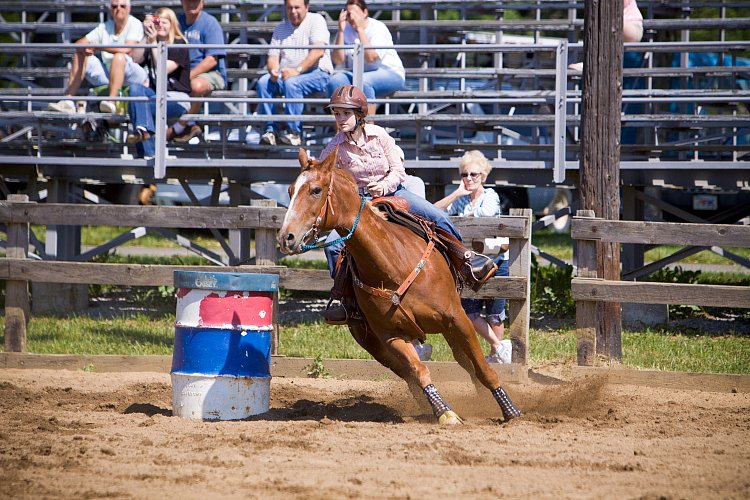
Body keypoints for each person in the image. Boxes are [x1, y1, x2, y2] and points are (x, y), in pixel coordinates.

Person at [319, 85, 497, 324]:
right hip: (361, 203)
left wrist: (383, 186)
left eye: (345, 114)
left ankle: (466, 262)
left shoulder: (379, 135)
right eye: (337, 114)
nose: (340, 119)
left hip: (394, 192)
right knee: (332, 245)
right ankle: (348, 301)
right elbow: (320, 171)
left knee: (437, 215)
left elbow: (398, 170)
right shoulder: (335, 147)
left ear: (360, 115)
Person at [435, 150, 512, 364]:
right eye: (464, 175)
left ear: (483, 177)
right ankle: (498, 346)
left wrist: (461, 219)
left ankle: (497, 356)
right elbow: (435, 211)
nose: (468, 179)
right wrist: (456, 194)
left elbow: (484, 218)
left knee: (496, 314)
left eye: (474, 175)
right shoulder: (460, 199)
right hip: (471, 262)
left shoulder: (491, 196)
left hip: (495, 260)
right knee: (469, 312)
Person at [47, 0, 148, 114]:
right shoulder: (104, 26)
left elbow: (127, 50)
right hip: (109, 74)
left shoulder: (135, 24)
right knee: (80, 53)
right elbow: (80, 44)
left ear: (129, 9)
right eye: (114, 6)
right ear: (110, 9)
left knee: (119, 57)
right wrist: (86, 48)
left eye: (122, 6)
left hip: (133, 75)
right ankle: (68, 100)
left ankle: (111, 102)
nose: (118, 9)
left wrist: (98, 47)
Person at [257, 0, 333, 147]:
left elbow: (318, 52)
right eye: (289, 8)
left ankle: (295, 133)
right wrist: (273, 70)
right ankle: (270, 130)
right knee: (263, 82)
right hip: (288, 74)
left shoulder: (316, 20)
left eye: (297, 7)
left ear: (306, 7)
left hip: (317, 73)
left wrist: (296, 71)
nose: (293, 11)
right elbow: (272, 57)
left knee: (292, 83)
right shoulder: (280, 28)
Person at [126, 8, 191, 159]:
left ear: (172, 24)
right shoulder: (152, 42)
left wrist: (154, 44)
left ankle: (147, 151)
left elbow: (163, 69)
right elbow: (135, 58)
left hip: (177, 98)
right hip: (156, 95)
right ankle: (145, 132)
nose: (160, 25)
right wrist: (146, 35)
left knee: (138, 105)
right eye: (157, 22)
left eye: (165, 22)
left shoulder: (180, 44)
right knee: (135, 90)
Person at [328, 0, 405, 116]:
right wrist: (341, 31)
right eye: (348, 14)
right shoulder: (345, 29)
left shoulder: (378, 27)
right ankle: (342, 130)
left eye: (355, 13)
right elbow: (338, 60)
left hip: (391, 73)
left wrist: (360, 30)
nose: (352, 17)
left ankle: (367, 128)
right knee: (335, 82)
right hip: (357, 75)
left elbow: (371, 58)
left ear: (365, 12)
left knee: (362, 83)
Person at [168, 0, 228, 143]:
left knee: (196, 86)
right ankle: (152, 131)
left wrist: (187, 77)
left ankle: (181, 125)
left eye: (196, 1)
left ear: (202, 3)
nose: (192, 4)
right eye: (188, 0)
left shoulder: (210, 23)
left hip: (211, 73)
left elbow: (212, 59)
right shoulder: (177, 22)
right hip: (179, 72)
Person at [569, 0, 644, 71]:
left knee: (605, 19)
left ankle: (592, 63)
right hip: (628, 26)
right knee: (601, 22)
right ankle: (591, 62)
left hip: (630, 25)